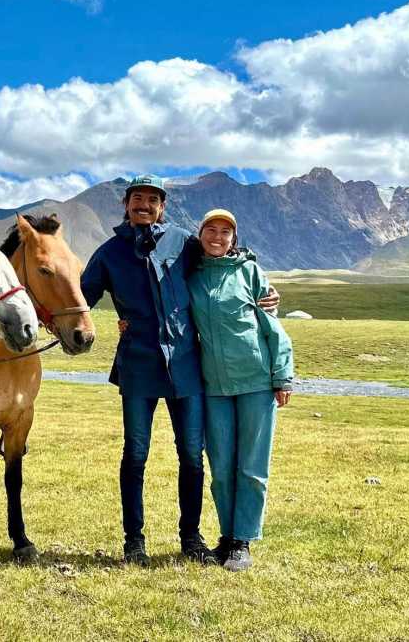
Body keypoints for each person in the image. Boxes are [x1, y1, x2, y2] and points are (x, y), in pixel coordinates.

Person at [80, 175, 279, 567]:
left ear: (162, 206)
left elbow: (224, 260)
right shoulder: (108, 253)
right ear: (126, 204)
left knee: (192, 454)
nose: (144, 205)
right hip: (137, 366)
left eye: (152, 199)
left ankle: (191, 538)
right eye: (137, 198)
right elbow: (81, 297)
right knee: (135, 455)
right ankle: (133, 542)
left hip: (187, 367)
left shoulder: (184, 242)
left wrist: (263, 285)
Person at [188, 209, 293, 572]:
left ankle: (243, 541)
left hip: (256, 382)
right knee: (221, 467)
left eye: (225, 232)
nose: (217, 237)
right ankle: (226, 537)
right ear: (200, 234)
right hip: (214, 386)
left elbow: (272, 326)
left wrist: (283, 375)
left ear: (234, 239)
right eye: (211, 230)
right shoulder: (191, 275)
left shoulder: (250, 272)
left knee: (251, 466)